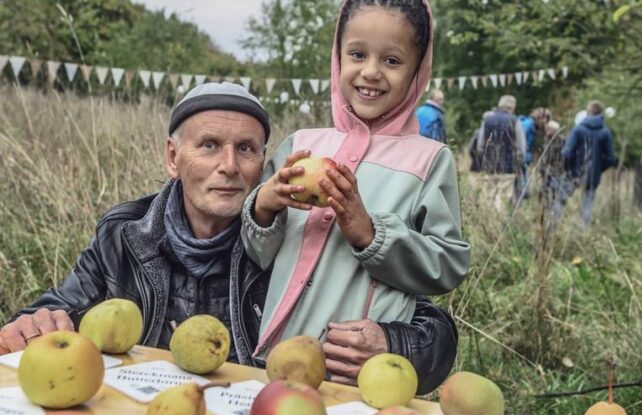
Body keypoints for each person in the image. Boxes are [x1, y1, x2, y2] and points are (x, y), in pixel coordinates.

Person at [0, 82, 459, 394]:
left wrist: (392, 345)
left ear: (265, 163)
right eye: (208, 146)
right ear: (173, 157)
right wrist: (34, 323)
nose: (229, 166)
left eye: (246, 149)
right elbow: (61, 306)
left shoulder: (291, 236)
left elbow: (433, 328)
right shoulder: (126, 234)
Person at [241, 0, 469, 390]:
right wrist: (264, 207)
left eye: (392, 61)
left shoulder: (429, 160)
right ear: (338, 57)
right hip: (274, 361)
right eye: (358, 54)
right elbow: (257, 254)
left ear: (417, 72)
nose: (371, 72)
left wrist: (370, 234)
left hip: (357, 374)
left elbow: (448, 264)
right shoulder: (301, 146)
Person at [554, 101, 618, 225]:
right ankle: (583, 230)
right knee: (587, 204)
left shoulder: (578, 129)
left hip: (574, 173)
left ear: (588, 112)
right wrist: (598, 168)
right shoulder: (605, 132)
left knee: (560, 200)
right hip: (593, 175)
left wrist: (568, 169)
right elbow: (611, 159)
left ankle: (553, 226)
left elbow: (566, 153)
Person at [475, 95, 527, 212]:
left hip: (489, 167)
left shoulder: (487, 120)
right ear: (512, 107)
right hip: (508, 169)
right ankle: (499, 222)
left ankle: (488, 220)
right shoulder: (515, 121)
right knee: (502, 200)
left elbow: (480, 146)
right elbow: (521, 149)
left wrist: (485, 161)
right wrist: (517, 165)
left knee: (488, 199)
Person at [514, 112, 536, 202]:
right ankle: (524, 193)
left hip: (523, 154)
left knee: (522, 173)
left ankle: (523, 193)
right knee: (523, 173)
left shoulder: (524, 123)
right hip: (523, 154)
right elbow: (523, 142)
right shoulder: (528, 125)